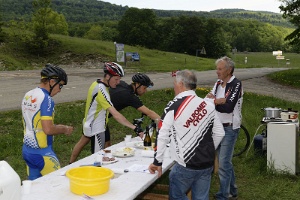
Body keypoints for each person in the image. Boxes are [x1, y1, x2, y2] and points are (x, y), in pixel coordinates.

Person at [148, 70, 225, 200]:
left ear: (180, 84)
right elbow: (220, 132)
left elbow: (162, 134)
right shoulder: (207, 104)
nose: (173, 87)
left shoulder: (173, 105)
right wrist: (209, 150)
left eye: (174, 83)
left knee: (177, 196)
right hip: (206, 163)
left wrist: (157, 161)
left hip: (185, 165)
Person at [69, 62, 143, 163]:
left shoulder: (97, 84)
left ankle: (71, 164)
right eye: (116, 79)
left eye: (119, 79)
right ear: (108, 76)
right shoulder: (101, 89)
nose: (118, 82)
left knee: (99, 156)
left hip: (94, 125)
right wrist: (135, 128)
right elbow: (116, 114)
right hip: (96, 128)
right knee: (98, 161)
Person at [21, 64, 74, 180]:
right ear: (51, 81)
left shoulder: (28, 94)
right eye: (60, 86)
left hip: (27, 150)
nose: (60, 90)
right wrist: (64, 129)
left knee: (34, 189)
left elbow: (37, 124)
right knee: (58, 185)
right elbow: (48, 129)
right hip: (42, 153)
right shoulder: (47, 99)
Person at [206, 56, 243, 200]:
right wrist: (216, 101)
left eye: (220, 69)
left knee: (223, 163)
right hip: (216, 127)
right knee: (225, 162)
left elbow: (228, 107)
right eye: (217, 68)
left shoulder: (236, 84)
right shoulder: (217, 83)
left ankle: (224, 195)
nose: (217, 71)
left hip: (230, 128)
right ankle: (233, 190)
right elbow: (207, 102)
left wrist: (213, 102)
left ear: (229, 70)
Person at [97, 72, 160, 149]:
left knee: (105, 144)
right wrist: (164, 122)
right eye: (144, 88)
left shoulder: (123, 84)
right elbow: (149, 112)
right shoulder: (129, 96)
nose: (145, 91)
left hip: (101, 116)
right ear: (137, 85)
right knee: (103, 148)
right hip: (98, 118)